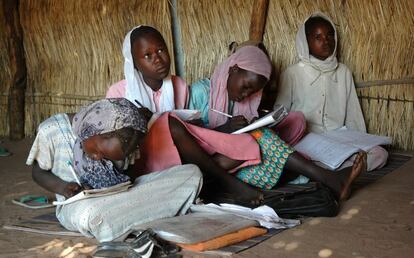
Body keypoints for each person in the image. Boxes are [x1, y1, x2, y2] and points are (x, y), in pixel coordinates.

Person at [27, 98, 202, 242]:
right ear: (93, 131)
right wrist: (63, 187)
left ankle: (123, 220)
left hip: (121, 197)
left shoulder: (128, 139)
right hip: (79, 204)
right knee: (92, 214)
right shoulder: (51, 130)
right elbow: (37, 172)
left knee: (191, 174)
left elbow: (131, 176)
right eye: (98, 152)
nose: (96, 158)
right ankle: (143, 213)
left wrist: (122, 182)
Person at [137, 111, 367, 207]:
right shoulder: (123, 94)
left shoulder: (177, 85)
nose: (158, 58)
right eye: (148, 55)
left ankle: (328, 180)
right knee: (260, 140)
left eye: (160, 51)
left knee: (262, 143)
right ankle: (330, 179)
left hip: (205, 154)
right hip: (173, 166)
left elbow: (200, 128)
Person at [274, 12, 388, 171]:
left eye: (329, 36)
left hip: (338, 137)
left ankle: (335, 170)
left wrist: (361, 142)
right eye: (318, 37)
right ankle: (342, 170)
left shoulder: (343, 72)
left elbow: (353, 113)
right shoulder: (292, 73)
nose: (326, 42)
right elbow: (279, 114)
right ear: (306, 41)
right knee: (300, 157)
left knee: (380, 154)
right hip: (306, 139)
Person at [188, 45, 305, 145]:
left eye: (253, 92)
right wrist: (226, 128)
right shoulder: (200, 92)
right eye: (245, 87)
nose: (246, 95)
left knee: (295, 120)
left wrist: (252, 125)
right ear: (233, 69)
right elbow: (188, 139)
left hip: (236, 148)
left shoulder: (244, 101)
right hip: (211, 153)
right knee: (255, 146)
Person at [106, 25, 188, 113]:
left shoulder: (180, 86)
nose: (158, 60)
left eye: (160, 50)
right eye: (147, 55)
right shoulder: (118, 93)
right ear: (134, 64)